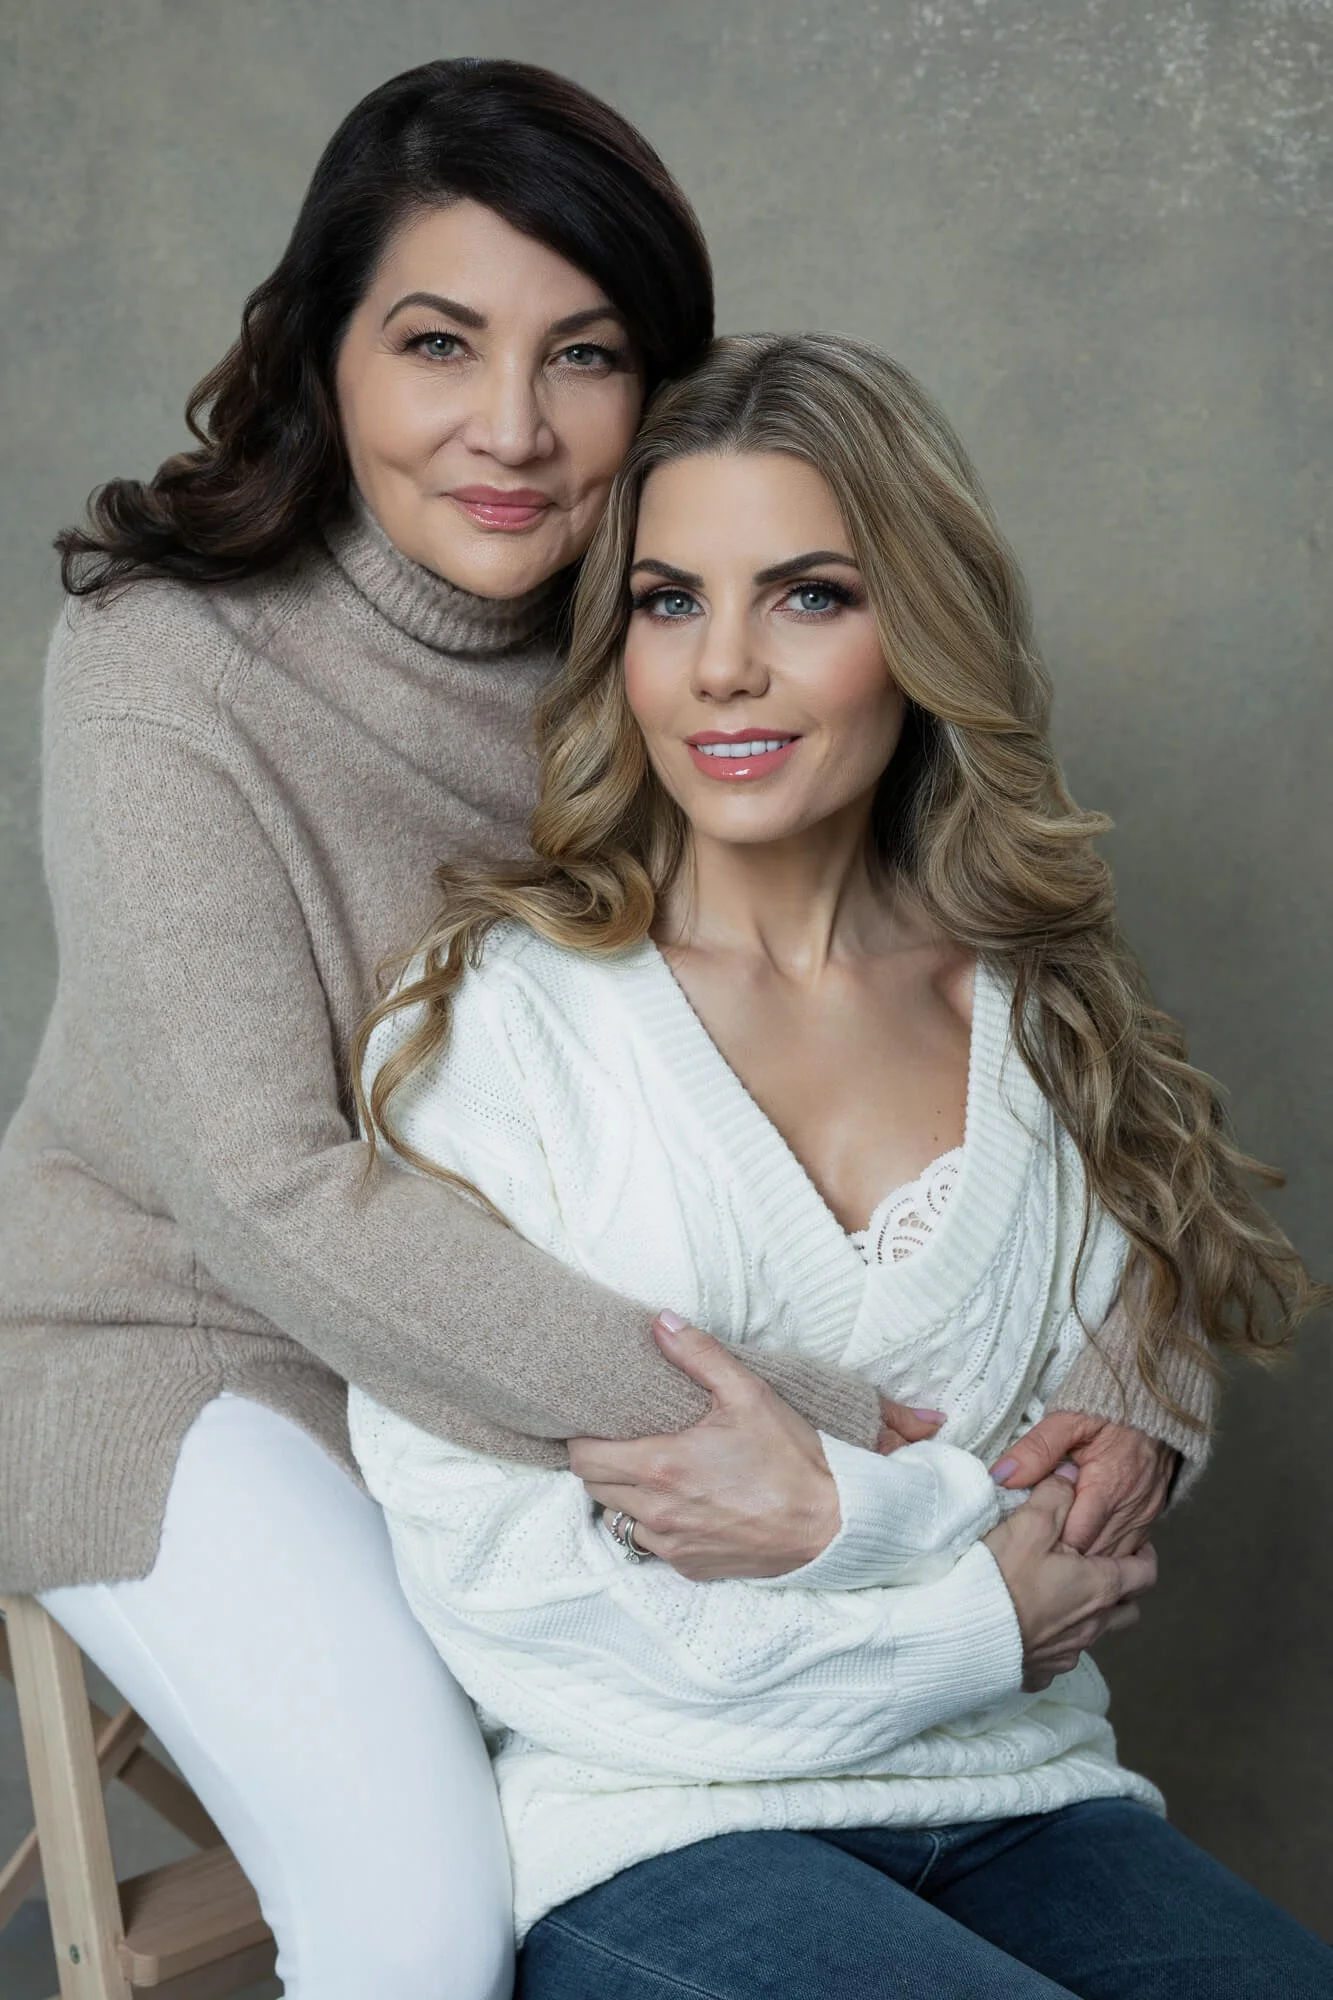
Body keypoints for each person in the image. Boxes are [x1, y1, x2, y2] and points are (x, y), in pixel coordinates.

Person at [0, 57, 1204, 2000]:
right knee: (425, 1913)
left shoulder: (679, 626)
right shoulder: (168, 658)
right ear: (324, 356)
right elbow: (271, 1194)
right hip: (202, 1358)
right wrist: (805, 1426)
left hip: (552, 1356)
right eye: (438, 343)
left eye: (586, 356)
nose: (511, 428)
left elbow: (1001, 1020)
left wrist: (1132, 1382)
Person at [349, 332, 1331, 1998]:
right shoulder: (496, 1033)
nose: (724, 668)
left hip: (1032, 1796)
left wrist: (825, 1517)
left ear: (923, 632)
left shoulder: (1043, 1014)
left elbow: (1088, 1493)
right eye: (670, 602)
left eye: (808, 596)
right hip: (658, 1832)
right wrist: (971, 1616)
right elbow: (523, 1610)